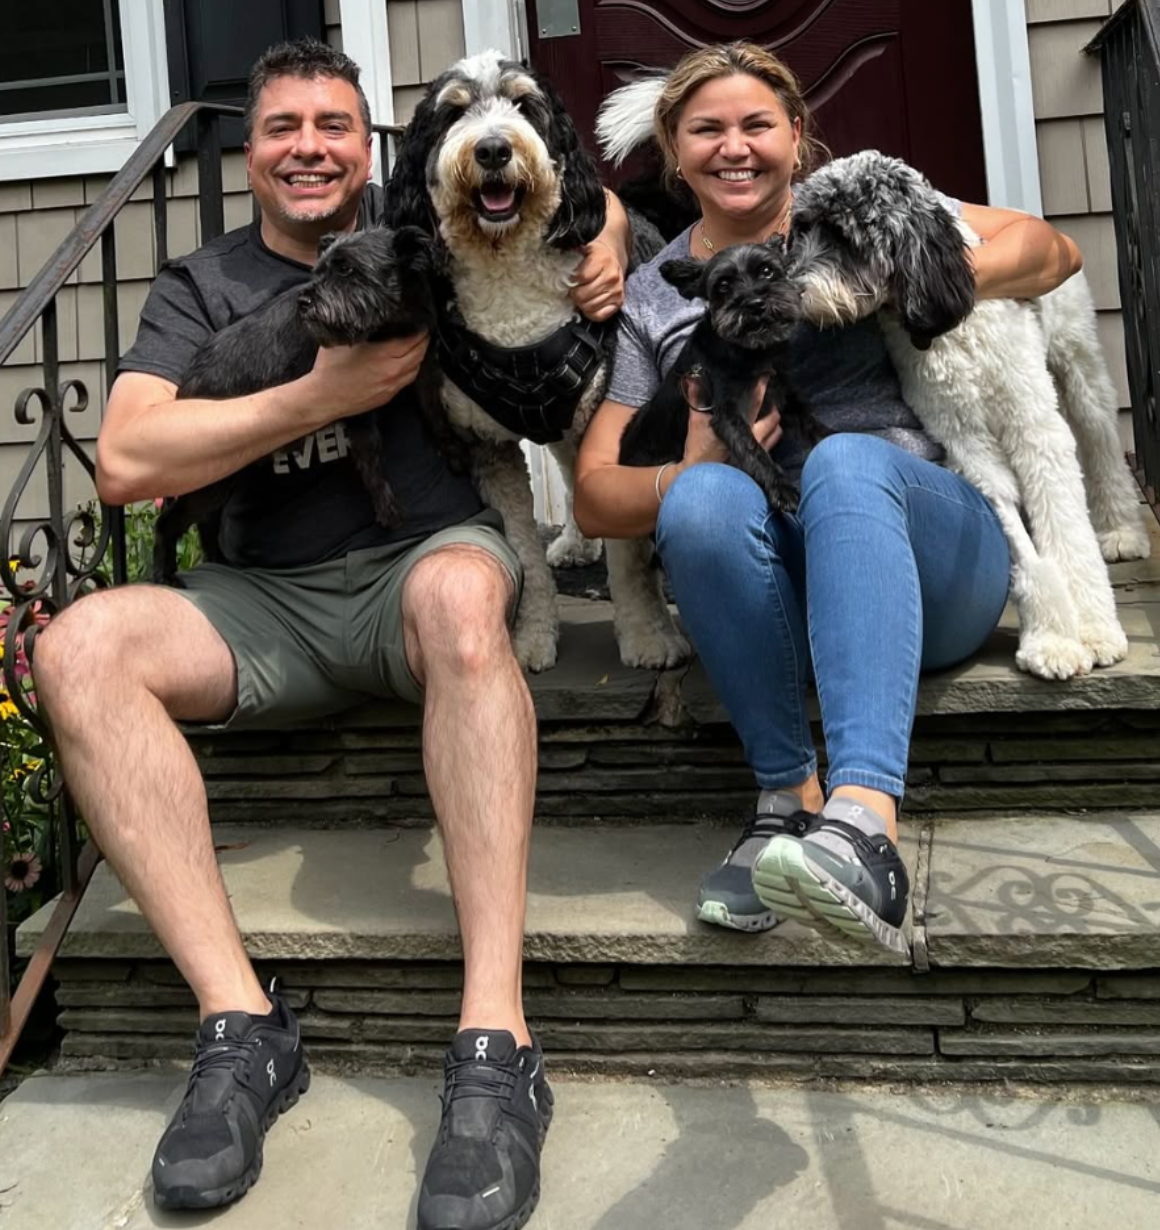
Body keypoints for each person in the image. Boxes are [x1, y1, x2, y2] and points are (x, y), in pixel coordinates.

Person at [31, 37, 630, 1230]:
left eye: (333, 127)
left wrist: (606, 230)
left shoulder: (437, 236)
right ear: (248, 152)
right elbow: (127, 462)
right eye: (281, 128)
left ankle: (495, 1041)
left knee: (468, 600)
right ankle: (241, 1029)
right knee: (77, 647)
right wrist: (315, 398)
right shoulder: (199, 288)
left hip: (419, 571)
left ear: (371, 151)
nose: (307, 147)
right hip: (262, 605)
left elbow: (566, 175)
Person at [574, 41, 1083, 953]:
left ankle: (864, 826)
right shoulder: (656, 299)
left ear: (798, 136)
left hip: (935, 566)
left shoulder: (854, 215)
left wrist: (911, 281)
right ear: (673, 145)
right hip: (789, 600)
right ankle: (785, 805)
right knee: (697, 499)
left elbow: (1054, 250)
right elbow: (594, 498)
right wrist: (688, 463)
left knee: (844, 460)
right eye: (708, 129)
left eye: (757, 124)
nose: (735, 147)